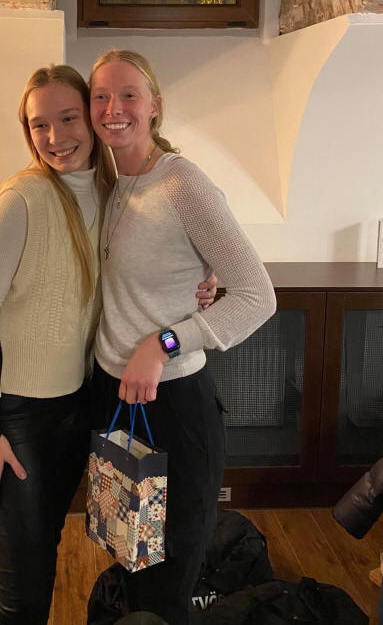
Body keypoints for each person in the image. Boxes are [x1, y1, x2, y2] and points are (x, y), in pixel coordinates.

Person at [0, 64, 216, 625]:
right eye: (39, 125)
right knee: (20, 602)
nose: (55, 137)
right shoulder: (21, 199)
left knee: (52, 562)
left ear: (93, 122)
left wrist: (206, 273)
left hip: (82, 410)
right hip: (19, 423)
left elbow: (162, 255)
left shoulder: (109, 191)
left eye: (69, 118)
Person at [89, 49, 277, 625]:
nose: (113, 108)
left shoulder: (182, 183)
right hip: (113, 398)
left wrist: (164, 343)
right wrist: (204, 276)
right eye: (101, 96)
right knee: (129, 557)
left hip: (173, 406)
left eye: (128, 95)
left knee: (168, 580)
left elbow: (258, 295)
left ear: (154, 106)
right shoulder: (107, 182)